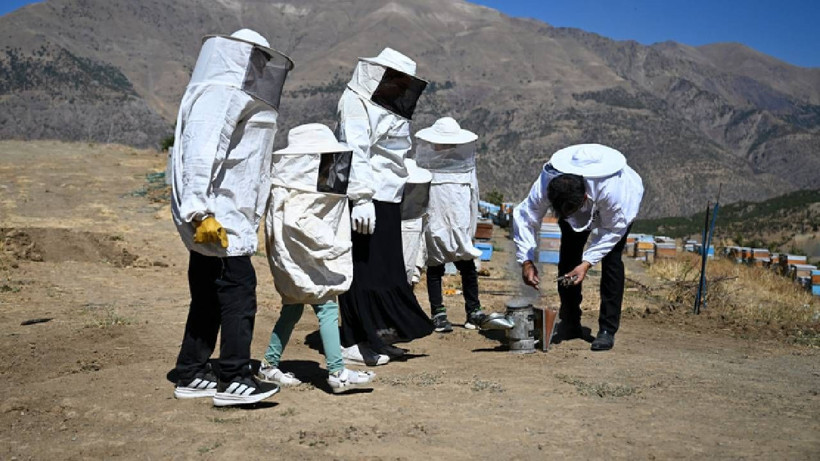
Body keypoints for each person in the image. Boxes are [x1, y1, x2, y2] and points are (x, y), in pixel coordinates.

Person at [169, 29, 293, 406]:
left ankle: (191, 372)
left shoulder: (225, 94)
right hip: (218, 219)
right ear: (237, 58)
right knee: (239, 293)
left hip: (219, 214)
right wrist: (198, 211)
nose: (258, 68)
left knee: (206, 297)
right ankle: (235, 378)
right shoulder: (220, 95)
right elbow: (201, 152)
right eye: (254, 60)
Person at [257, 123, 375, 393]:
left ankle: (268, 364)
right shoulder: (293, 195)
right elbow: (300, 227)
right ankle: (336, 373)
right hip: (302, 260)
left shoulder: (287, 189)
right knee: (327, 306)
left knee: (293, 308)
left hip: (297, 263)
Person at [335, 48, 434, 365]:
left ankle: (377, 336)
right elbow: (355, 149)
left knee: (384, 272)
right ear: (381, 75)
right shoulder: (355, 101)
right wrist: (361, 197)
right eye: (398, 80)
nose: (401, 88)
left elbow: (392, 156)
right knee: (362, 271)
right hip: (366, 198)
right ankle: (352, 340)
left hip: (389, 198)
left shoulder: (388, 107)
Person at [513, 144, 644, 351]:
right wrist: (526, 261)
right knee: (568, 256)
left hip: (615, 218)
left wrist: (587, 263)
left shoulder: (615, 191)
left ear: (583, 199)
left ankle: (607, 329)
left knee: (612, 261)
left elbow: (613, 231)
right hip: (576, 201)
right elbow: (525, 217)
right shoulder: (549, 182)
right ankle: (570, 321)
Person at [414, 117, 488, 332]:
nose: (445, 146)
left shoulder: (466, 166)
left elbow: (473, 197)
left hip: (460, 223)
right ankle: (438, 313)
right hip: (434, 222)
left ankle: (474, 311)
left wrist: (471, 228)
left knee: (467, 266)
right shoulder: (424, 163)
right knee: (435, 267)